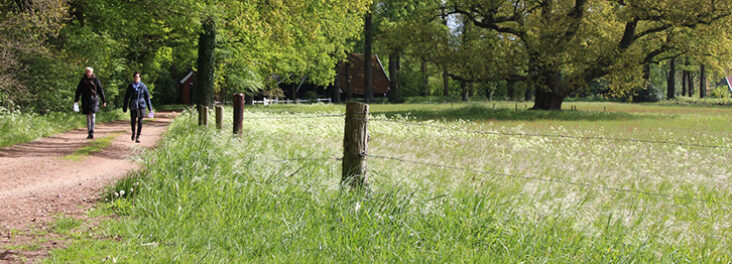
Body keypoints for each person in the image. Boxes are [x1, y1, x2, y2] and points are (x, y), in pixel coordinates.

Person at [75, 67, 106, 139]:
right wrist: (76, 100)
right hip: (85, 100)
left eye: (89, 72)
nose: (88, 73)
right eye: (87, 72)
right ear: (85, 72)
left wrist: (104, 100)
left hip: (94, 100)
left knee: (93, 116)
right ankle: (89, 131)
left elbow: (101, 90)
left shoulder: (96, 80)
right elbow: (78, 91)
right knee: (88, 117)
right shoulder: (83, 81)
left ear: (92, 72)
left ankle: (92, 131)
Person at [123, 72, 152, 143]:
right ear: (133, 78)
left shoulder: (143, 86)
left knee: (140, 120)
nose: (136, 78)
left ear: (140, 78)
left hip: (141, 105)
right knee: (133, 120)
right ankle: (133, 132)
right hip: (133, 105)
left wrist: (150, 108)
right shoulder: (130, 86)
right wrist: (125, 107)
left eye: (138, 77)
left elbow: (147, 97)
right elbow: (126, 97)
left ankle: (138, 136)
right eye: (135, 77)